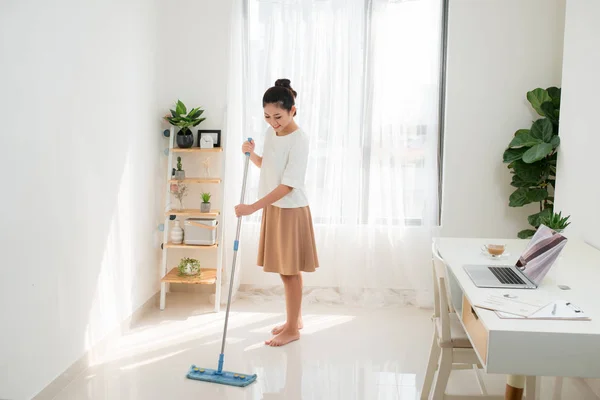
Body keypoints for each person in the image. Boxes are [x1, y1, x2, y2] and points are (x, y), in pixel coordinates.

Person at [234, 79, 319, 347]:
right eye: (267, 116)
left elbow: (287, 184)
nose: (272, 122)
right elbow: (270, 168)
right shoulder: (273, 133)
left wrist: (252, 208)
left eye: (278, 116)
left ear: (293, 110)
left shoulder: (299, 139)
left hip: (290, 209)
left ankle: (292, 328)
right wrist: (252, 155)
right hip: (275, 207)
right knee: (287, 270)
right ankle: (296, 320)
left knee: (289, 271)